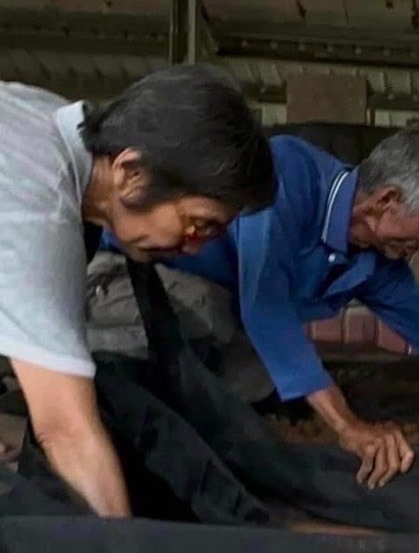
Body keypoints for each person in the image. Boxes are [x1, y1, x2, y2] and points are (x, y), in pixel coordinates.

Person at [129, 124, 419, 488]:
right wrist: (349, 427)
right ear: (386, 201)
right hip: (145, 275)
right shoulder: (286, 173)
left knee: (252, 386)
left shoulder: (379, 258)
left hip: (224, 303)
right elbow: (267, 308)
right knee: (190, 343)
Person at [0, 67, 274, 517]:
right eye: (197, 223)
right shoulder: (40, 207)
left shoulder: (46, 121)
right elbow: (67, 431)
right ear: (130, 170)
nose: (195, 246)